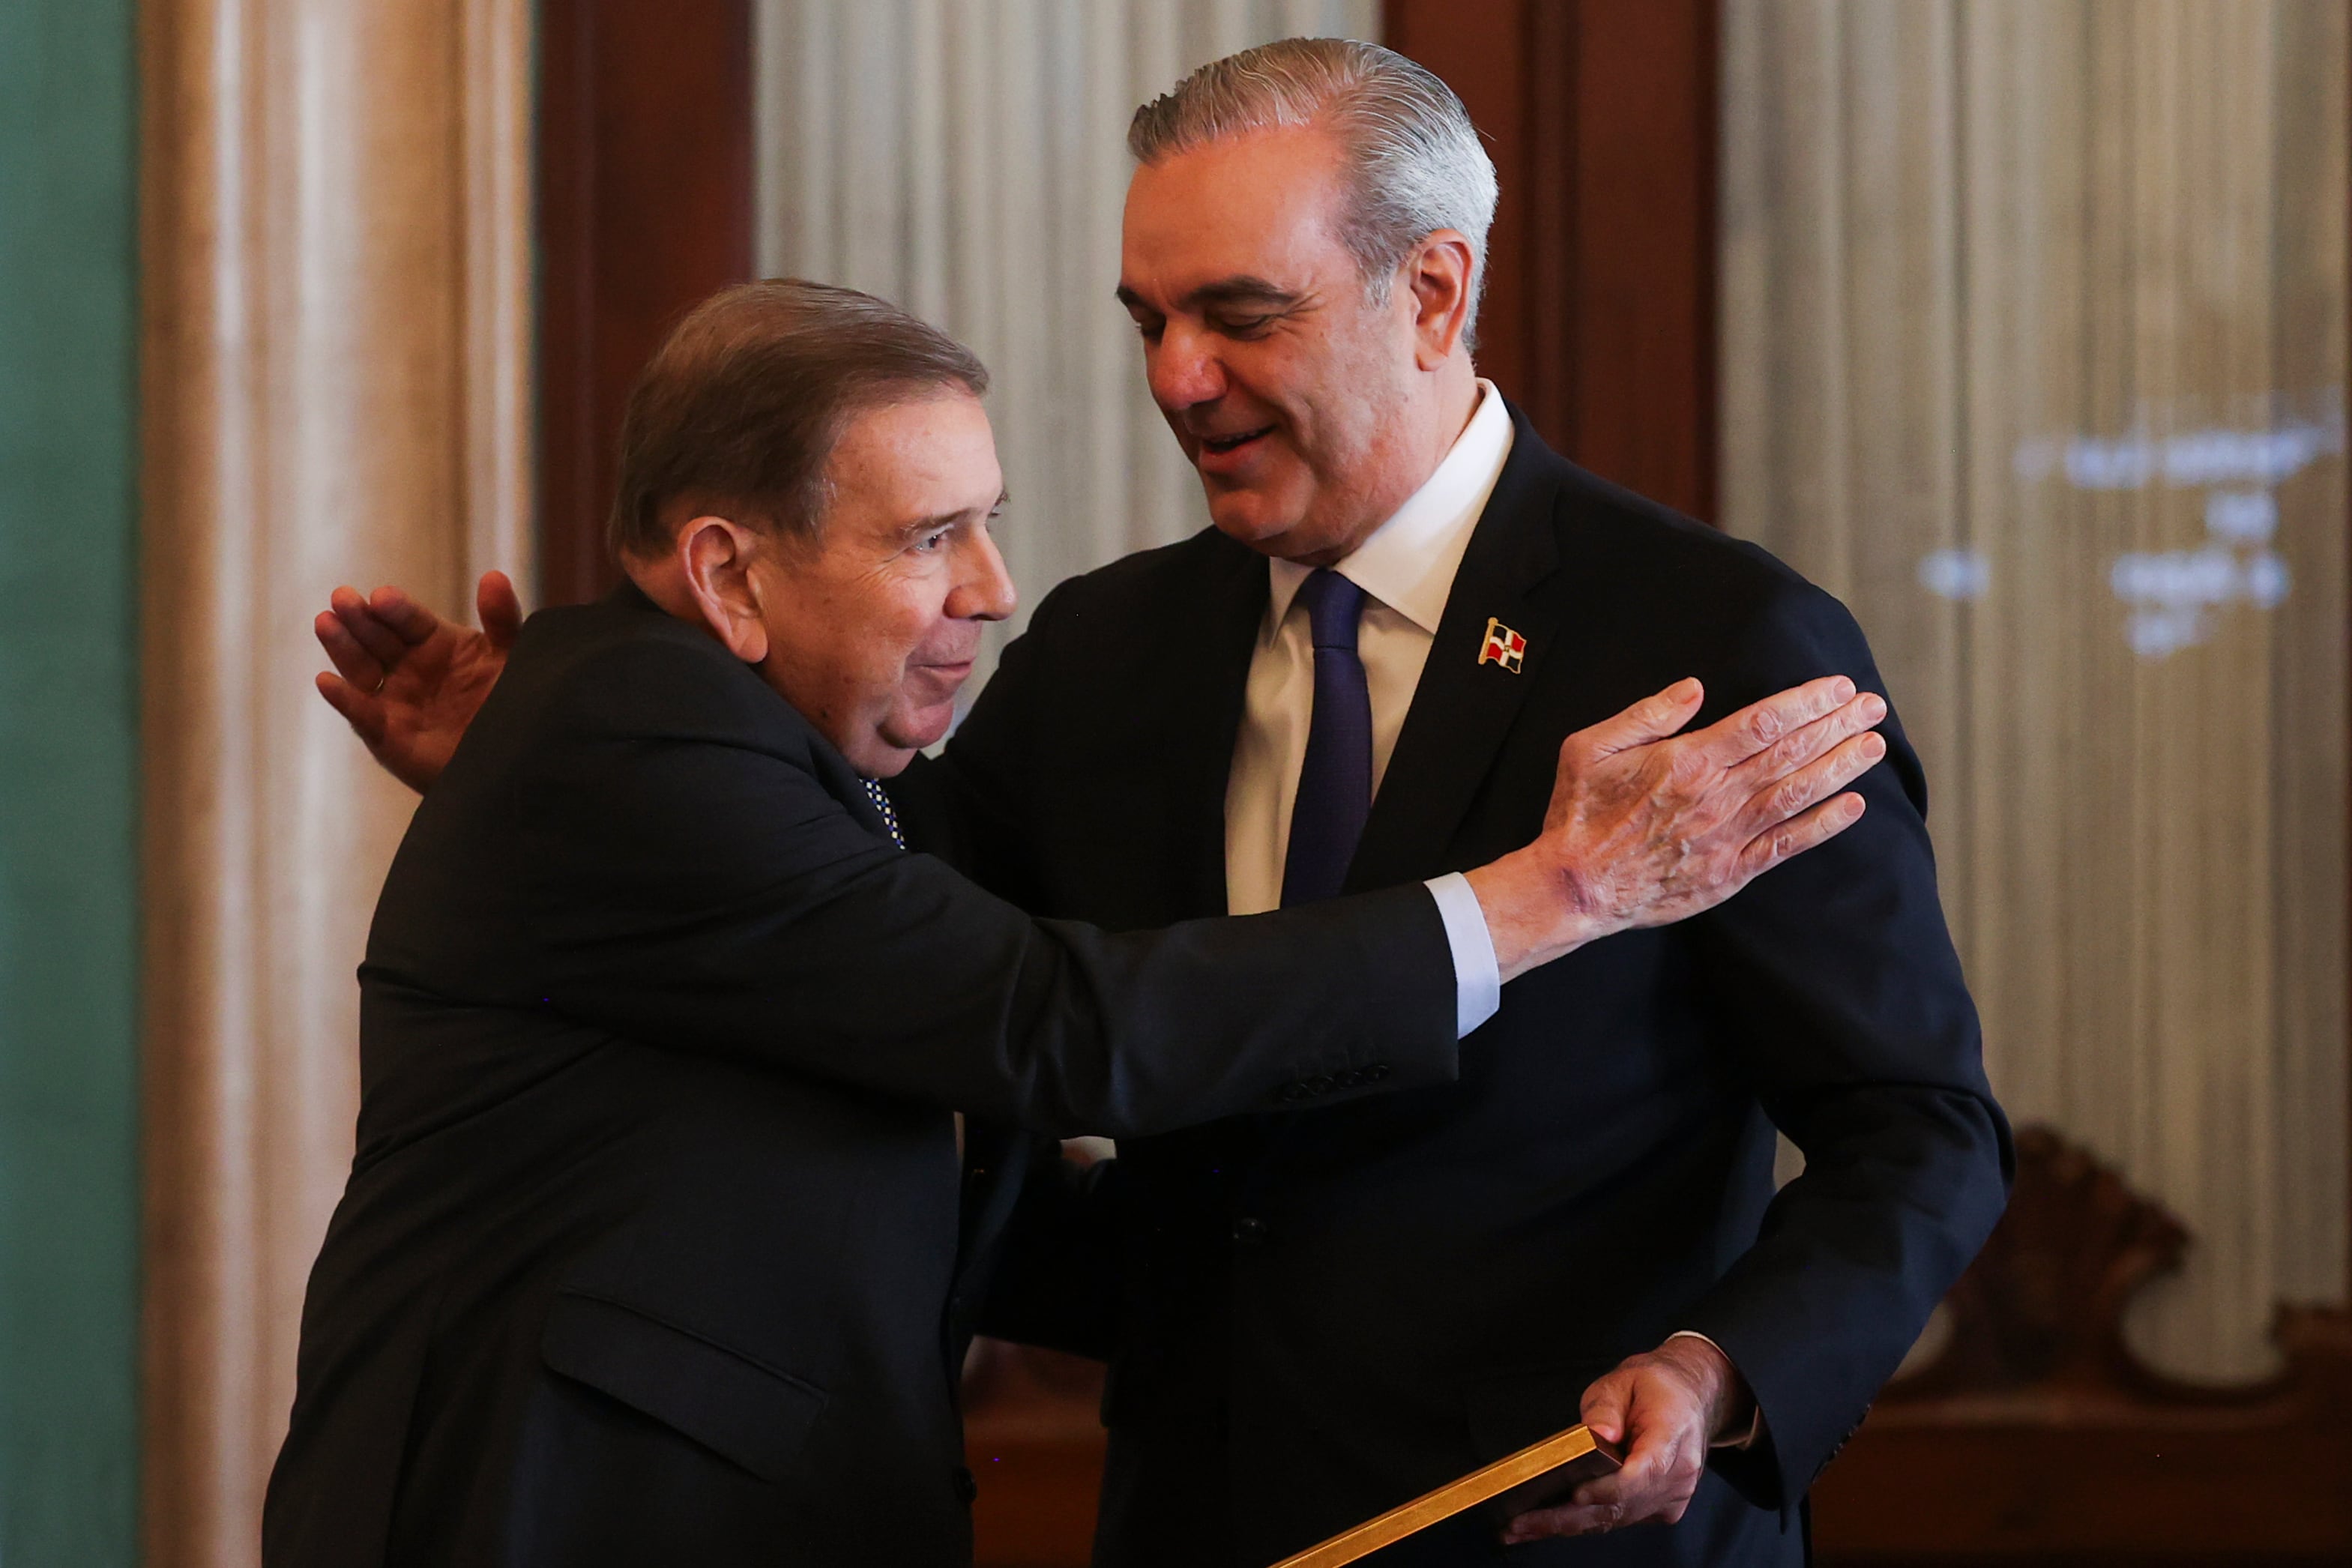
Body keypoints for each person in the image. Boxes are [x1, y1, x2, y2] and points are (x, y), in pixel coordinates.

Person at [317, 40, 2007, 1567]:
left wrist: (1727, 1373)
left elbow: (1915, 1129)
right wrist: (568, 809)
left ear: (1431, 293)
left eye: (1241, 315)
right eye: (1149, 321)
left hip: (1547, 1531)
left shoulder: (1710, 642)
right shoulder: (1115, 644)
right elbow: (921, 969)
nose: (1179, 378)